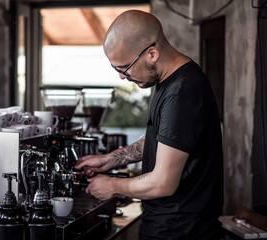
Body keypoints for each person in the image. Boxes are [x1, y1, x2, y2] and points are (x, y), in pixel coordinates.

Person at [74, 10, 223, 240]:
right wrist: (112, 159)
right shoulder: (169, 81)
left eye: (124, 67)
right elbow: (163, 139)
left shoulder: (182, 93)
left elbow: (163, 183)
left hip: (180, 232)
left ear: (152, 53)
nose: (122, 77)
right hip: (170, 227)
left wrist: (112, 185)